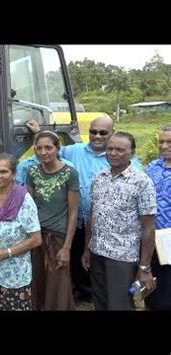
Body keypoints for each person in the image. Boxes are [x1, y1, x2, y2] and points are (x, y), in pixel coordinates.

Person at [26, 116, 141, 302]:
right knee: (77, 259)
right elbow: (48, 148)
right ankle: (79, 292)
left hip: (105, 228)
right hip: (77, 221)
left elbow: (136, 181)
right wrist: (39, 134)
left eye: (103, 132)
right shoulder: (76, 150)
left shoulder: (123, 161)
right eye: (93, 131)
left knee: (98, 267)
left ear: (112, 132)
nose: (97, 136)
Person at [82, 132, 157, 310]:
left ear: (131, 152)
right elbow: (92, 215)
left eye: (120, 150)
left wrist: (144, 267)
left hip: (122, 258)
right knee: (100, 303)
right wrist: (87, 249)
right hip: (97, 252)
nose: (113, 153)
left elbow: (148, 228)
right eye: (110, 149)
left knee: (120, 305)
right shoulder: (99, 177)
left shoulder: (142, 182)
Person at [0, 153, 42, 311]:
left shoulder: (23, 199)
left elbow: (36, 239)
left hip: (13, 274)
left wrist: (6, 253)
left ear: (13, 174)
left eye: (4, 171)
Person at [26, 131, 79, 310]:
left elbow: (73, 212)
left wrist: (67, 247)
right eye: (39, 148)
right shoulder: (32, 171)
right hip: (37, 236)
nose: (43, 152)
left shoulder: (69, 173)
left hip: (58, 236)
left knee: (58, 284)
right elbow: (29, 207)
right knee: (37, 281)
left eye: (48, 147)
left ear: (57, 148)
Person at [144, 125, 171, 310]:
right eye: (161, 141)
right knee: (153, 284)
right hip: (153, 237)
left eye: (169, 142)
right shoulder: (152, 167)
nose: (164, 146)